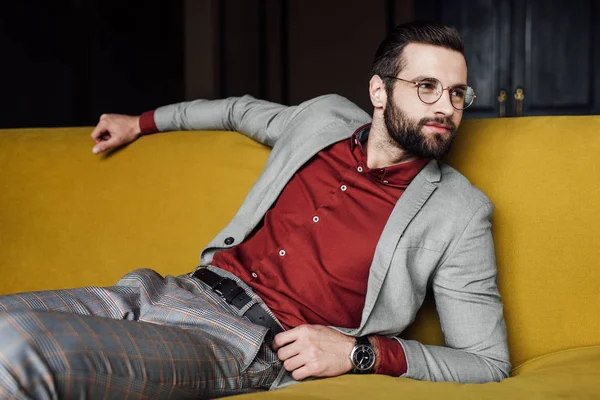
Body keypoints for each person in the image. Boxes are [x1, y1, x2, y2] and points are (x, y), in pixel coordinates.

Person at [0, 21, 510, 399]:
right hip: (176, 288)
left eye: (457, 93)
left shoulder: (460, 211)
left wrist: (360, 354)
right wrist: (141, 122)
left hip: (247, 344)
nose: (445, 107)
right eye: (427, 87)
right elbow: (237, 110)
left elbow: (487, 362)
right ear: (379, 91)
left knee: (19, 349)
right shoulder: (323, 119)